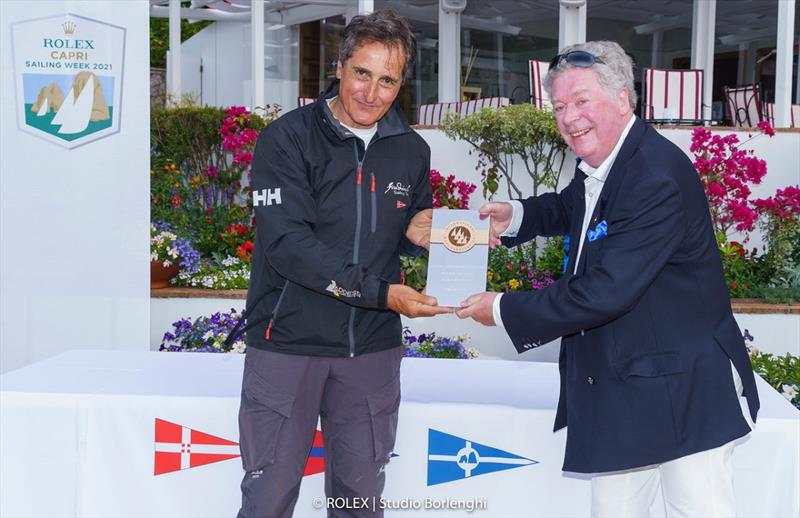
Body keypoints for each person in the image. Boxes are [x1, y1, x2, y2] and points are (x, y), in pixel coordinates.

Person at [457, 41, 760, 517]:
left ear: (623, 98)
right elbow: (575, 207)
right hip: (628, 385)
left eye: (581, 101)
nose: (568, 117)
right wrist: (515, 216)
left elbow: (605, 290)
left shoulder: (653, 176)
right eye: (559, 106)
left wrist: (501, 309)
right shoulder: (608, 161)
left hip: (685, 391)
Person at [237, 9, 450, 518]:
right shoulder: (286, 139)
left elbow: (396, 236)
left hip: (370, 350)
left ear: (401, 84)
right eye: (362, 73)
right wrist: (381, 293)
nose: (371, 93)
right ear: (338, 66)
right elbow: (288, 246)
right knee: (268, 501)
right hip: (288, 344)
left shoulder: (411, 150)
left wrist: (420, 238)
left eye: (387, 80)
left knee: (358, 504)